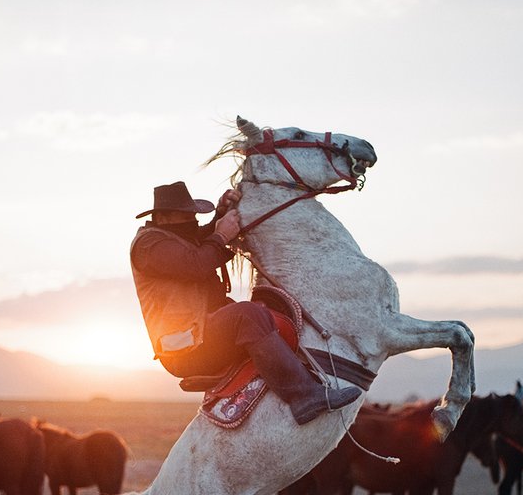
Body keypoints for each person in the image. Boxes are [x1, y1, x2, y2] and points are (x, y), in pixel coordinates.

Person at [130, 181, 362, 425]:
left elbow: (199, 242)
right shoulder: (149, 246)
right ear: (165, 217)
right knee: (247, 315)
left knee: (261, 311)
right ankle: (304, 396)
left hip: (198, 335)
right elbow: (196, 263)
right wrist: (221, 234)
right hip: (185, 348)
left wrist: (220, 215)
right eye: (187, 216)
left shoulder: (171, 238)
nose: (194, 221)